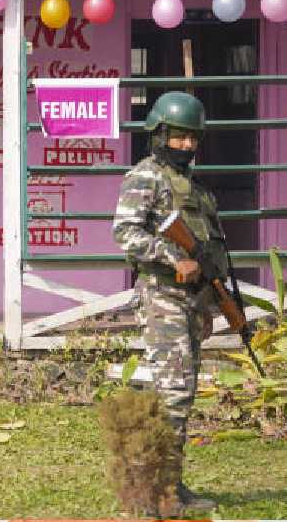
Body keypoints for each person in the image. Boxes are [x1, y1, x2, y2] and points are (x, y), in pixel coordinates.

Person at [112, 91, 222, 512]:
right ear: (158, 134)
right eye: (178, 136)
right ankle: (151, 492)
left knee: (183, 394)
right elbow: (126, 234)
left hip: (190, 302)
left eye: (193, 138)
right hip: (162, 296)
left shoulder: (193, 188)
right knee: (172, 394)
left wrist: (211, 304)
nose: (187, 145)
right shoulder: (145, 177)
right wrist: (173, 256)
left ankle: (170, 485)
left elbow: (207, 255)